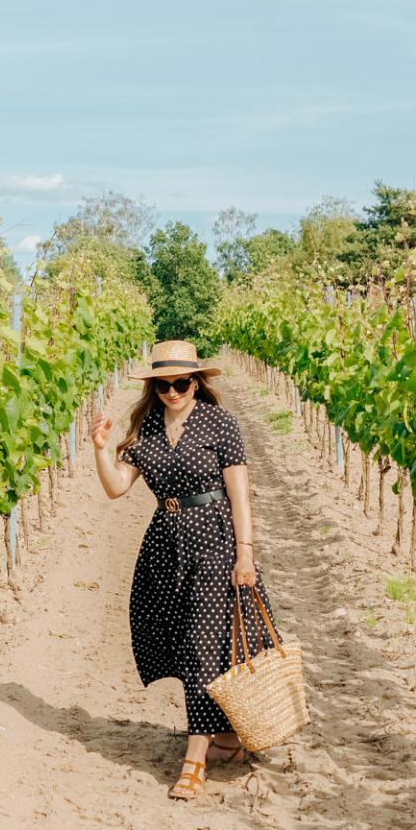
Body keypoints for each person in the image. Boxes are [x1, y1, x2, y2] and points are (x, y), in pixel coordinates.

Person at [91, 339, 276, 801]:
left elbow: (239, 493)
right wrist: (99, 448)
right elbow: (117, 488)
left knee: (201, 646)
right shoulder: (147, 430)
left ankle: (193, 762)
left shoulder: (220, 423)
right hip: (166, 544)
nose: (173, 391)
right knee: (187, 644)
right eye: (164, 384)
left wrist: (245, 552)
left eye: (181, 383)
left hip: (215, 540)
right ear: (153, 386)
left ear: (197, 382)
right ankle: (229, 740)